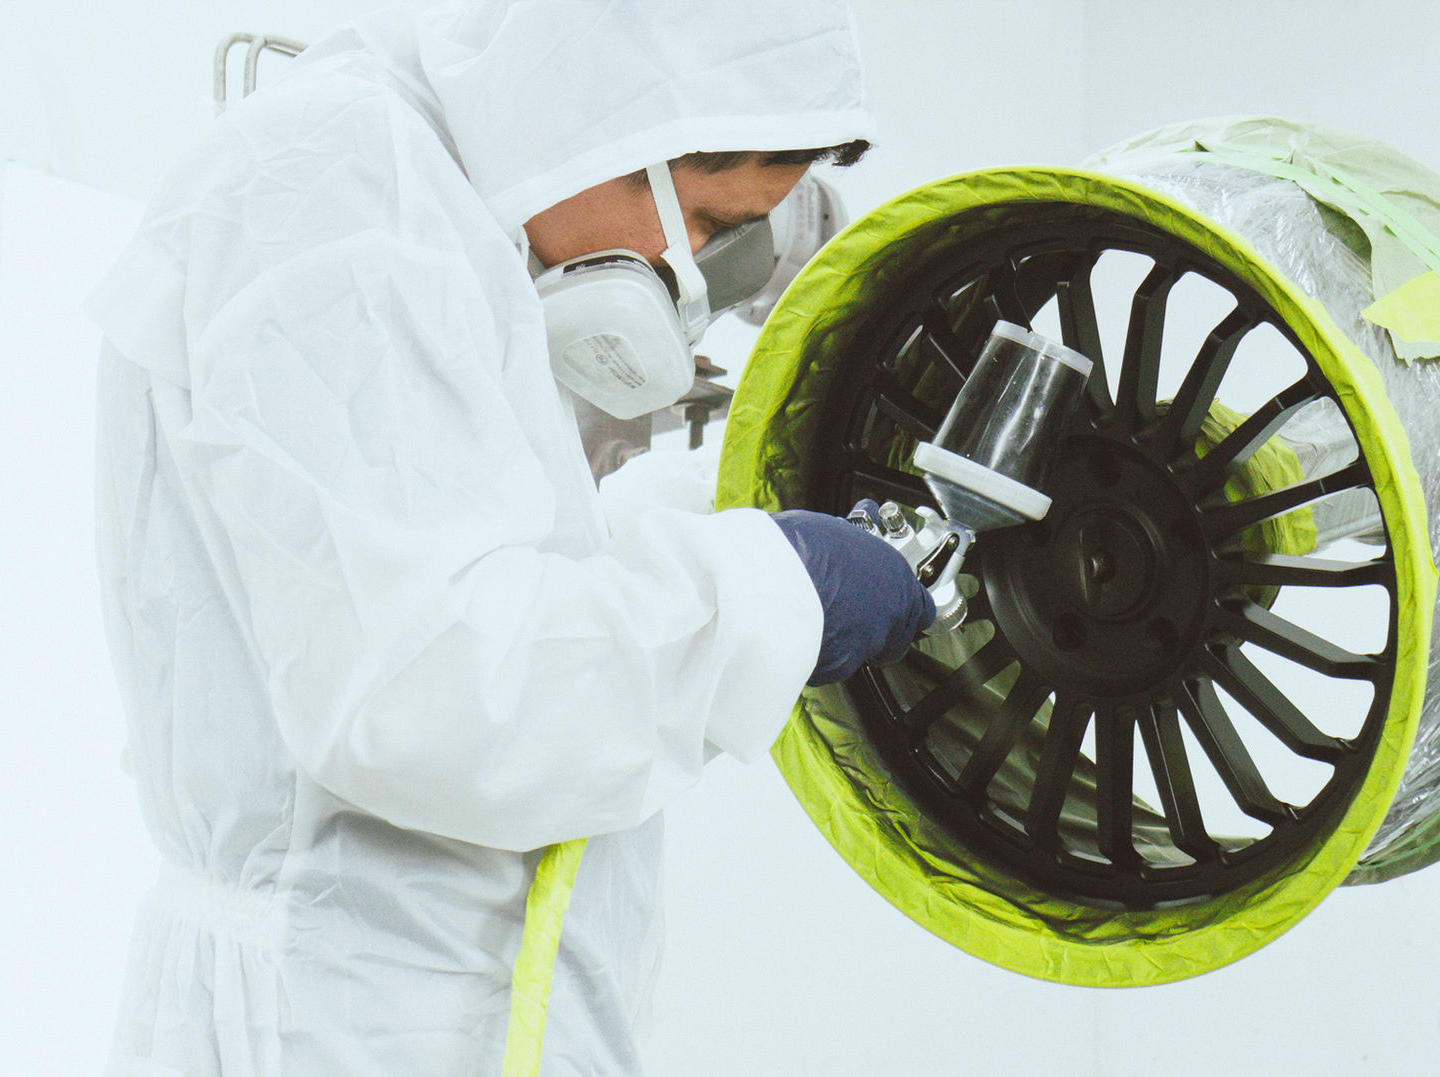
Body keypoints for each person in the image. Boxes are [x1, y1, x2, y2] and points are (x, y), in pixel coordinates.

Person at [87, 1, 931, 1073]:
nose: (690, 276)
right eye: (709, 229)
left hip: (437, 1002)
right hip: (331, 1026)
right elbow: (423, 691)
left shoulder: (464, 200)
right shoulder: (341, 201)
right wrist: (766, 591)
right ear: (610, 124)